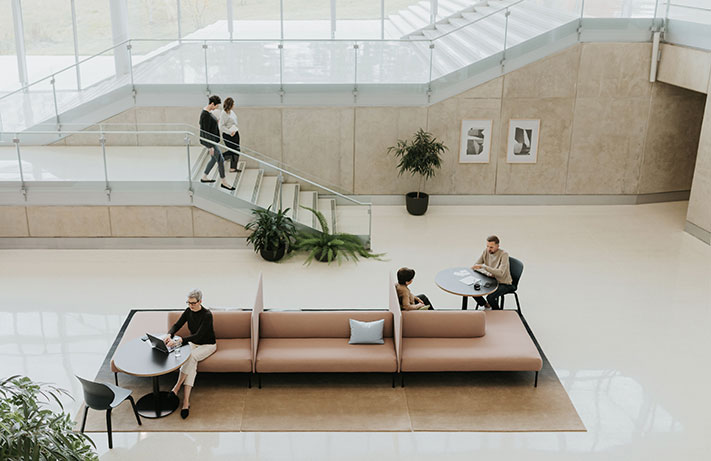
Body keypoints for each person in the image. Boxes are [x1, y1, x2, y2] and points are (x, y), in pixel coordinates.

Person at [164, 289, 217, 419]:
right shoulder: (188, 311)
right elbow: (177, 324)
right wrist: (169, 334)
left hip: (208, 345)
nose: (190, 306)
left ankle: (176, 388)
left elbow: (199, 335)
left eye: (193, 303)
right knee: (191, 362)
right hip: (194, 343)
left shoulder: (207, 315)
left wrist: (181, 340)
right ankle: (186, 402)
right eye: (188, 303)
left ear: (200, 301)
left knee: (191, 357)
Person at [199, 95, 235, 191]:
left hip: (212, 141)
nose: (217, 108)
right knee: (220, 159)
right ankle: (224, 182)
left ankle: (204, 177)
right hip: (210, 142)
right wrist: (210, 146)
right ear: (212, 104)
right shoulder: (205, 115)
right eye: (216, 106)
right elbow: (205, 132)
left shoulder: (208, 112)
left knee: (214, 159)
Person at [471, 235, 514, 310]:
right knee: (473, 289)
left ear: (497, 246)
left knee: (490, 297)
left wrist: (484, 267)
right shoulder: (486, 251)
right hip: (491, 280)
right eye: (487, 246)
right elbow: (476, 266)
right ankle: (486, 305)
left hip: (504, 283)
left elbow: (501, 273)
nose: (488, 249)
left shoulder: (504, 254)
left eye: (491, 247)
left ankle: (497, 313)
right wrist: (487, 273)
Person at [219, 97, 241, 173]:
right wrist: (229, 132)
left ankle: (233, 168)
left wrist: (234, 129)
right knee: (232, 151)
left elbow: (234, 122)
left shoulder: (231, 112)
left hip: (235, 133)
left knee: (237, 150)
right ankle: (219, 157)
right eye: (233, 104)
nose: (234, 105)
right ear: (230, 105)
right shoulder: (223, 113)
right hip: (228, 135)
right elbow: (221, 126)